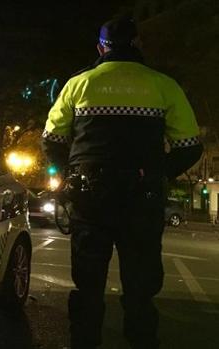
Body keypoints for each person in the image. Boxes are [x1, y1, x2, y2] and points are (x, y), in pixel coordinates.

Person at [41, 17, 203, 349]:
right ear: (138, 44)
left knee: (88, 286)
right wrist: (157, 174)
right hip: (142, 200)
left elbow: (52, 139)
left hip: (89, 198)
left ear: (101, 47)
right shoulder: (163, 85)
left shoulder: (78, 85)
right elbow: (191, 147)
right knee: (141, 289)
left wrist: (69, 172)